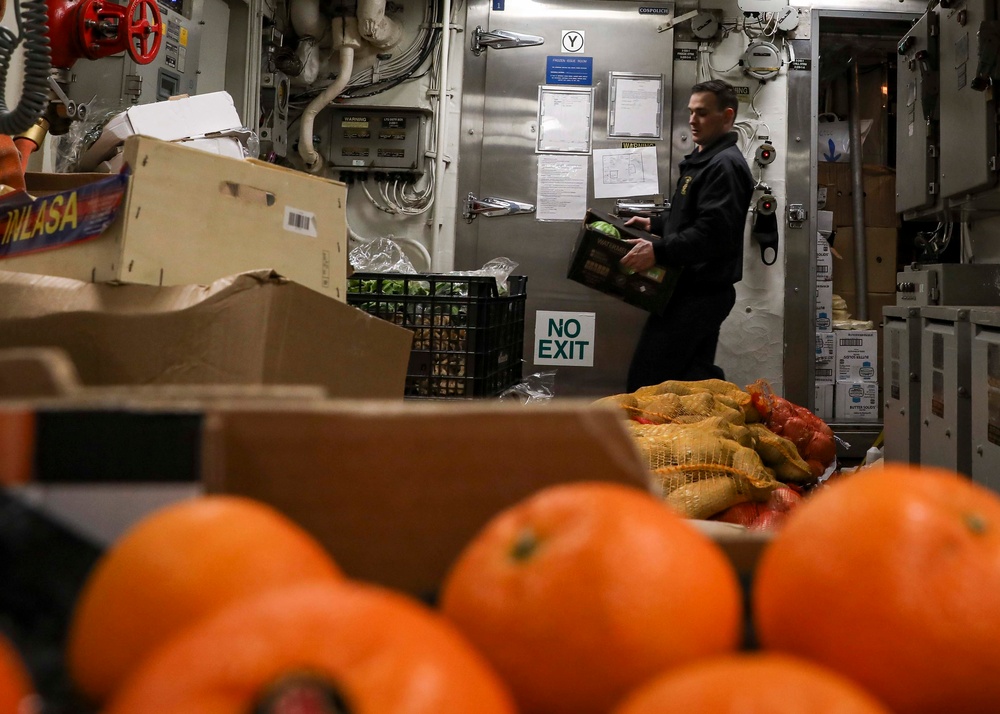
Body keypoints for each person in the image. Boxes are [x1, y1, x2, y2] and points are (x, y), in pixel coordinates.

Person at [620, 79, 754, 392]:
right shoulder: (704, 161)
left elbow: (713, 233)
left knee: (647, 383)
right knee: (691, 380)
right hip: (689, 290)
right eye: (691, 112)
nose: (692, 120)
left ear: (727, 116)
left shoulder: (725, 166)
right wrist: (655, 224)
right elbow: (693, 217)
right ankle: (706, 437)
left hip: (699, 294)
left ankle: (649, 441)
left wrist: (658, 252)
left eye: (703, 113)